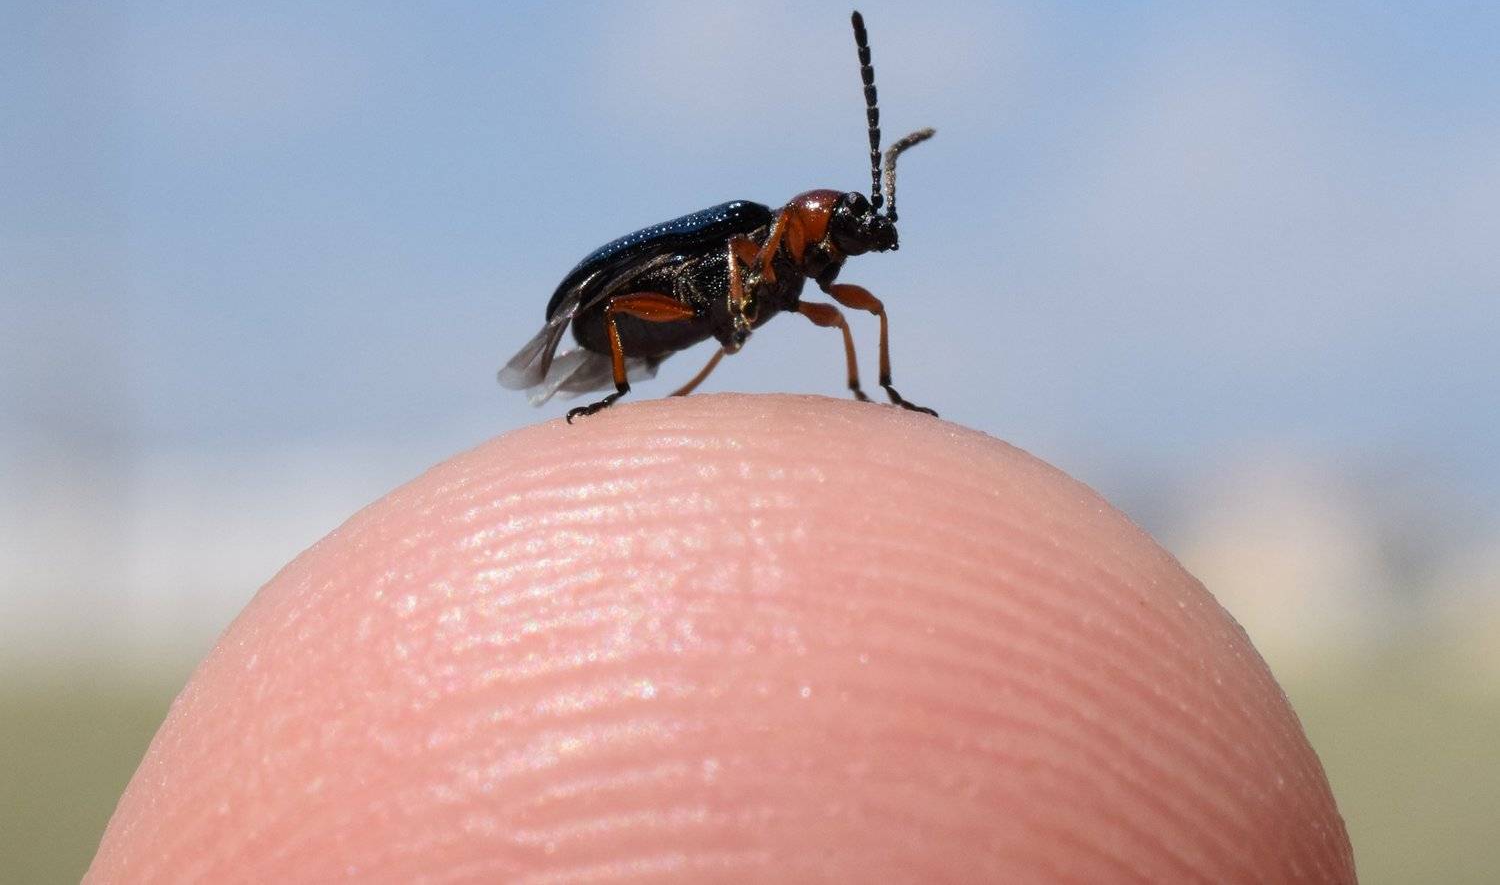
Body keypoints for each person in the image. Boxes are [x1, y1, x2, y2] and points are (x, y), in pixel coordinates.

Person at [89, 395, 1354, 881]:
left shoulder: (809, 278)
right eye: (856, 224)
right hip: (632, 314)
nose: (866, 242)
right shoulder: (756, 247)